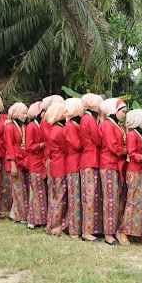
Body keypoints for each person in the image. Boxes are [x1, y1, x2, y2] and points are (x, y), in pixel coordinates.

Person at [118, 109, 142, 244]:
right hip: (135, 171)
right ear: (138, 122)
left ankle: (138, 232)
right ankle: (124, 231)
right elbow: (132, 154)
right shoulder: (132, 135)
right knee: (133, 202)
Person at [99, 99, 127, 246]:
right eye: (122, 112)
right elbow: (114, 147)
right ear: (114, 112)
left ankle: (115, 229)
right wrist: (129, 151)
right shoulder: (107, 125)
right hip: (108, 164)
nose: (124, 114)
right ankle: (108, 234)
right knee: (110, 199)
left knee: (116, 199)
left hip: (116, 165)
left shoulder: (118, 126)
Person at [79, 93, 103, 242]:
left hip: (87, 158)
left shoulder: (85, 118)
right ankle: (87, 231)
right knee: (90, 196)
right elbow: (98, 140)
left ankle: (90, 229)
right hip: (91, 159)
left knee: (90, 196)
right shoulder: (90, 119)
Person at [5, 102, 30, 225]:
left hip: (24, 161)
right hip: (15, 161)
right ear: (16, 113)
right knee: (18, 189)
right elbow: (9, 146)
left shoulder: (24, 127)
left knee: (24, 189)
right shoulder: (9, 127)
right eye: (23, 113)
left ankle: (13, 214)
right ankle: (22, 216)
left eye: (26, 113)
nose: (25, 116)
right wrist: (13, 164)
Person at [45, 102, 68, 236]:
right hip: (61, 165)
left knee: (55, 197)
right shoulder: (59, 130)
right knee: (60, 197)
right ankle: (55, 226)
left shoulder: (53, 128)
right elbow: (66, 149)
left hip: (54, 164)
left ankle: (52, 224)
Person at [64, 97, 85, 239]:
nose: (84, 110)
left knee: (78, 197)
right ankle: (73, 229)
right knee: (74, 198)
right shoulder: (71, 126)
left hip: (78, 162)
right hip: (73, 163)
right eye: (82, 107)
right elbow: (77, 145)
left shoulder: (75, 124)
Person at [25, 101, 47, 229]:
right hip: (35, 162)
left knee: (42, 192)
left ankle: (42, 219)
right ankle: (32, 219)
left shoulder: (44, 125)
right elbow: (29, 146)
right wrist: (42, 145)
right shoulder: (32, 127)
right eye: (43, 111)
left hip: (43, 162)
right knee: (37, 192)